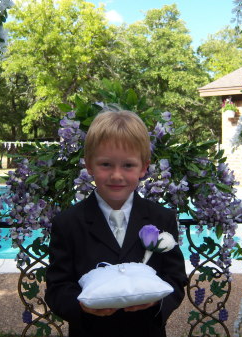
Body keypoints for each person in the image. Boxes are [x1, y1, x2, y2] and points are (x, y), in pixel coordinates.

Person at [45, 110, 188, 337]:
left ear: (143, 168)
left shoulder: (162, 218)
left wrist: (156, 303)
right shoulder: (68, 223)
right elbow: (57, 286)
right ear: (89, 166)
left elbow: (176, 278)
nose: (116, 175)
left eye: (128, 166)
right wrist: (81, 306)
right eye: (106, 164)